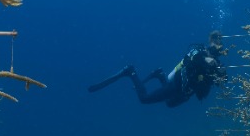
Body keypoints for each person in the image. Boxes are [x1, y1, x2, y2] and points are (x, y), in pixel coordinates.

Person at [88, 31, 227, 107]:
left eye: (218, 51)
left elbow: (221, 81)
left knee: (169, 104)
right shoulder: (199, 52)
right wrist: (205, 60)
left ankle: (160, 75)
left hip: (184, 93)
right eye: (215, 46)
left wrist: (220, 73)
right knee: (144, 99)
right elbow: (192, 59)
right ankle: (131, 72)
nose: (216, 52)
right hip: (176, 86)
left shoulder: (216, 64)